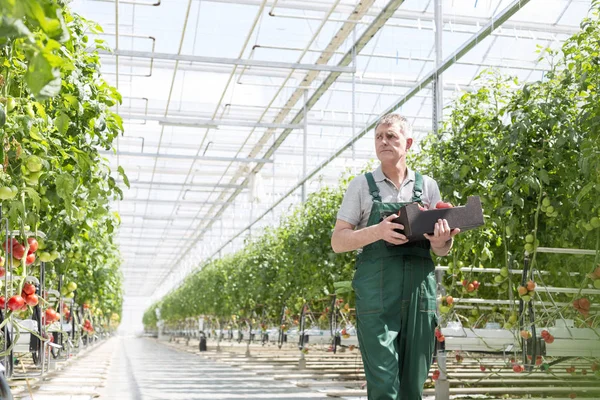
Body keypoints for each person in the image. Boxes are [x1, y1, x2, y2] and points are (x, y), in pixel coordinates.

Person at [331, 114, 460, 400]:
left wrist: (443, 240)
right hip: (377, 293)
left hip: (419, 292)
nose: (383, 141)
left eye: (391, 136)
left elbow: (439, 250)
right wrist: (377, 231)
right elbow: (338, 241)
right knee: (383, 383)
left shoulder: (427, 187)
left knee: (413, 383)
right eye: (378, 137)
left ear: (408, 143)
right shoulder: (362, 186)